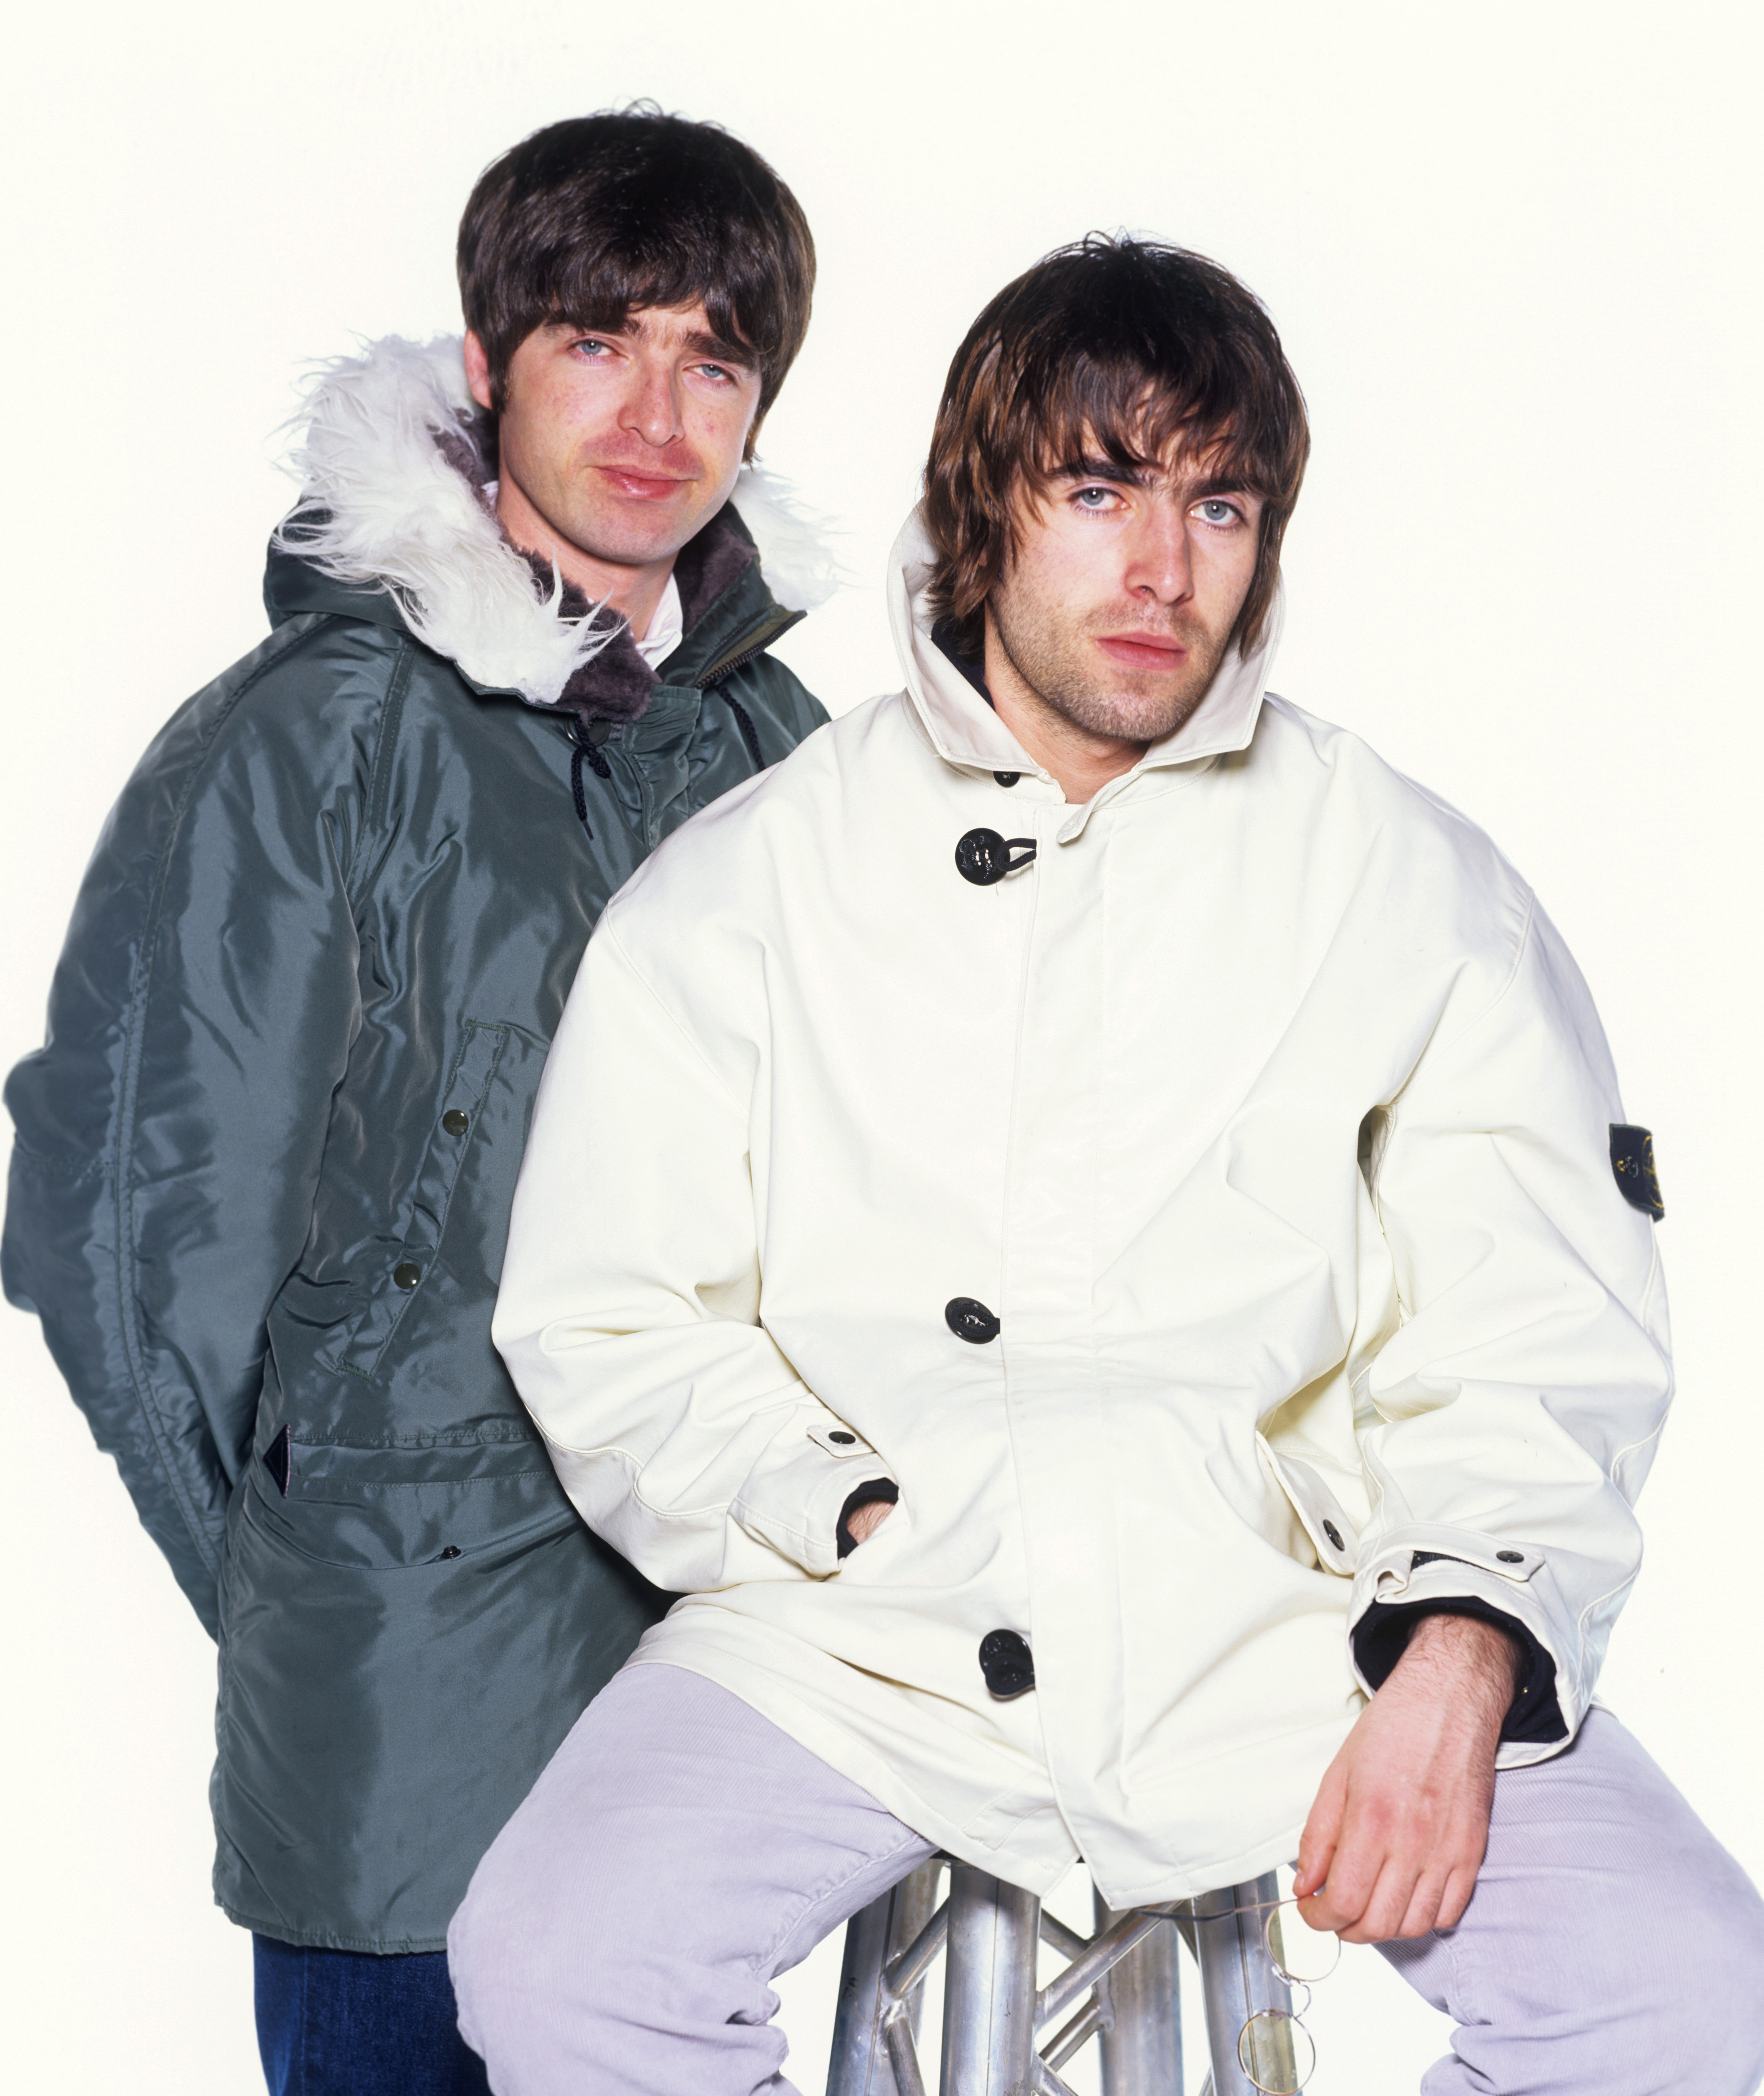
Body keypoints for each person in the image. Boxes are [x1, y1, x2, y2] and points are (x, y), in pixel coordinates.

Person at [452, 235, 1764, 2095]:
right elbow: (608, 1306)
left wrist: (1463, 1649)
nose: (1163, 568)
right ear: (981, 510)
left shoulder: (1399, 873)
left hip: (1290, 1628)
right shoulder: (754, 879)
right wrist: (836, 1515)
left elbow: (1539, 1307)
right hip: (859, 1643)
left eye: (1218, 503)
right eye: (1097, 490)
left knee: (1688, 1992)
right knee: (558, 1963)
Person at [2, 107, 831, 2096]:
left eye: (712, 358)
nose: (656, 410)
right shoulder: (320, 739)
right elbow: (127, 1245)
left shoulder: (774, 745)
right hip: (408, 1747)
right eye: (595, 341)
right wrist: (319, 1579)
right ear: (484, 364)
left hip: (734, 1687)